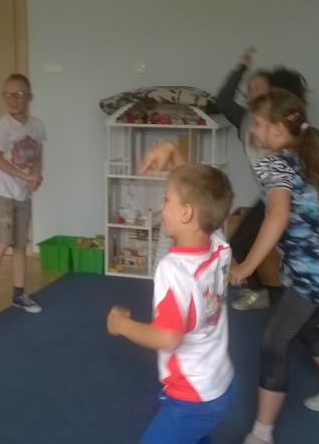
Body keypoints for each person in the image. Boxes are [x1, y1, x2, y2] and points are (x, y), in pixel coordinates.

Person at [230, 89, 319, 444]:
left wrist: (247, 265)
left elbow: (277, 216)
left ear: (277, 129)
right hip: (313, 262)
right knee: (299, 327)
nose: (252, 129)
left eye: (257, 122)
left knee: (273, 342)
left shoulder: (276, 166)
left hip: (312, 268)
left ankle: (261, 434)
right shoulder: (310, 156)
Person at [216, 48, 319, 335]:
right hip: (271, 195)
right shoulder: (245, 119)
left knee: (302, 258)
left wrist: (246, 268)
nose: (251, 93)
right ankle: (262, 293)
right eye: (249, 88)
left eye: (259, 88)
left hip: (281, 198)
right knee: (298, 257)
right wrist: (241, 68)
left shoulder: (287, 138)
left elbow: (283, 211)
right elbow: (222, 101)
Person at [108, 158, 236, 444]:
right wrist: (172, 153)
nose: (161, 206)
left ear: (187, 213)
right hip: (221, 383)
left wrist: (121, 324)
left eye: (166, 199)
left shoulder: (174, 270)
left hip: (192, 397)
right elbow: (205, 189)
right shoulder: (219, 245)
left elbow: (168, 338)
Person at [0, 73, 46, 329]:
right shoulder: (2, 126)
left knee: (20, 245)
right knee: (2, 241)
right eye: (8, 95)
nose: (13, 99)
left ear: (30, 97)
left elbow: (37, 155)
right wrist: (24, 175)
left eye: (19, 94)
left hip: (22, 193)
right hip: (1, 191)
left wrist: (37, 175)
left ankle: (18, 295)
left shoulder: (37, 125)